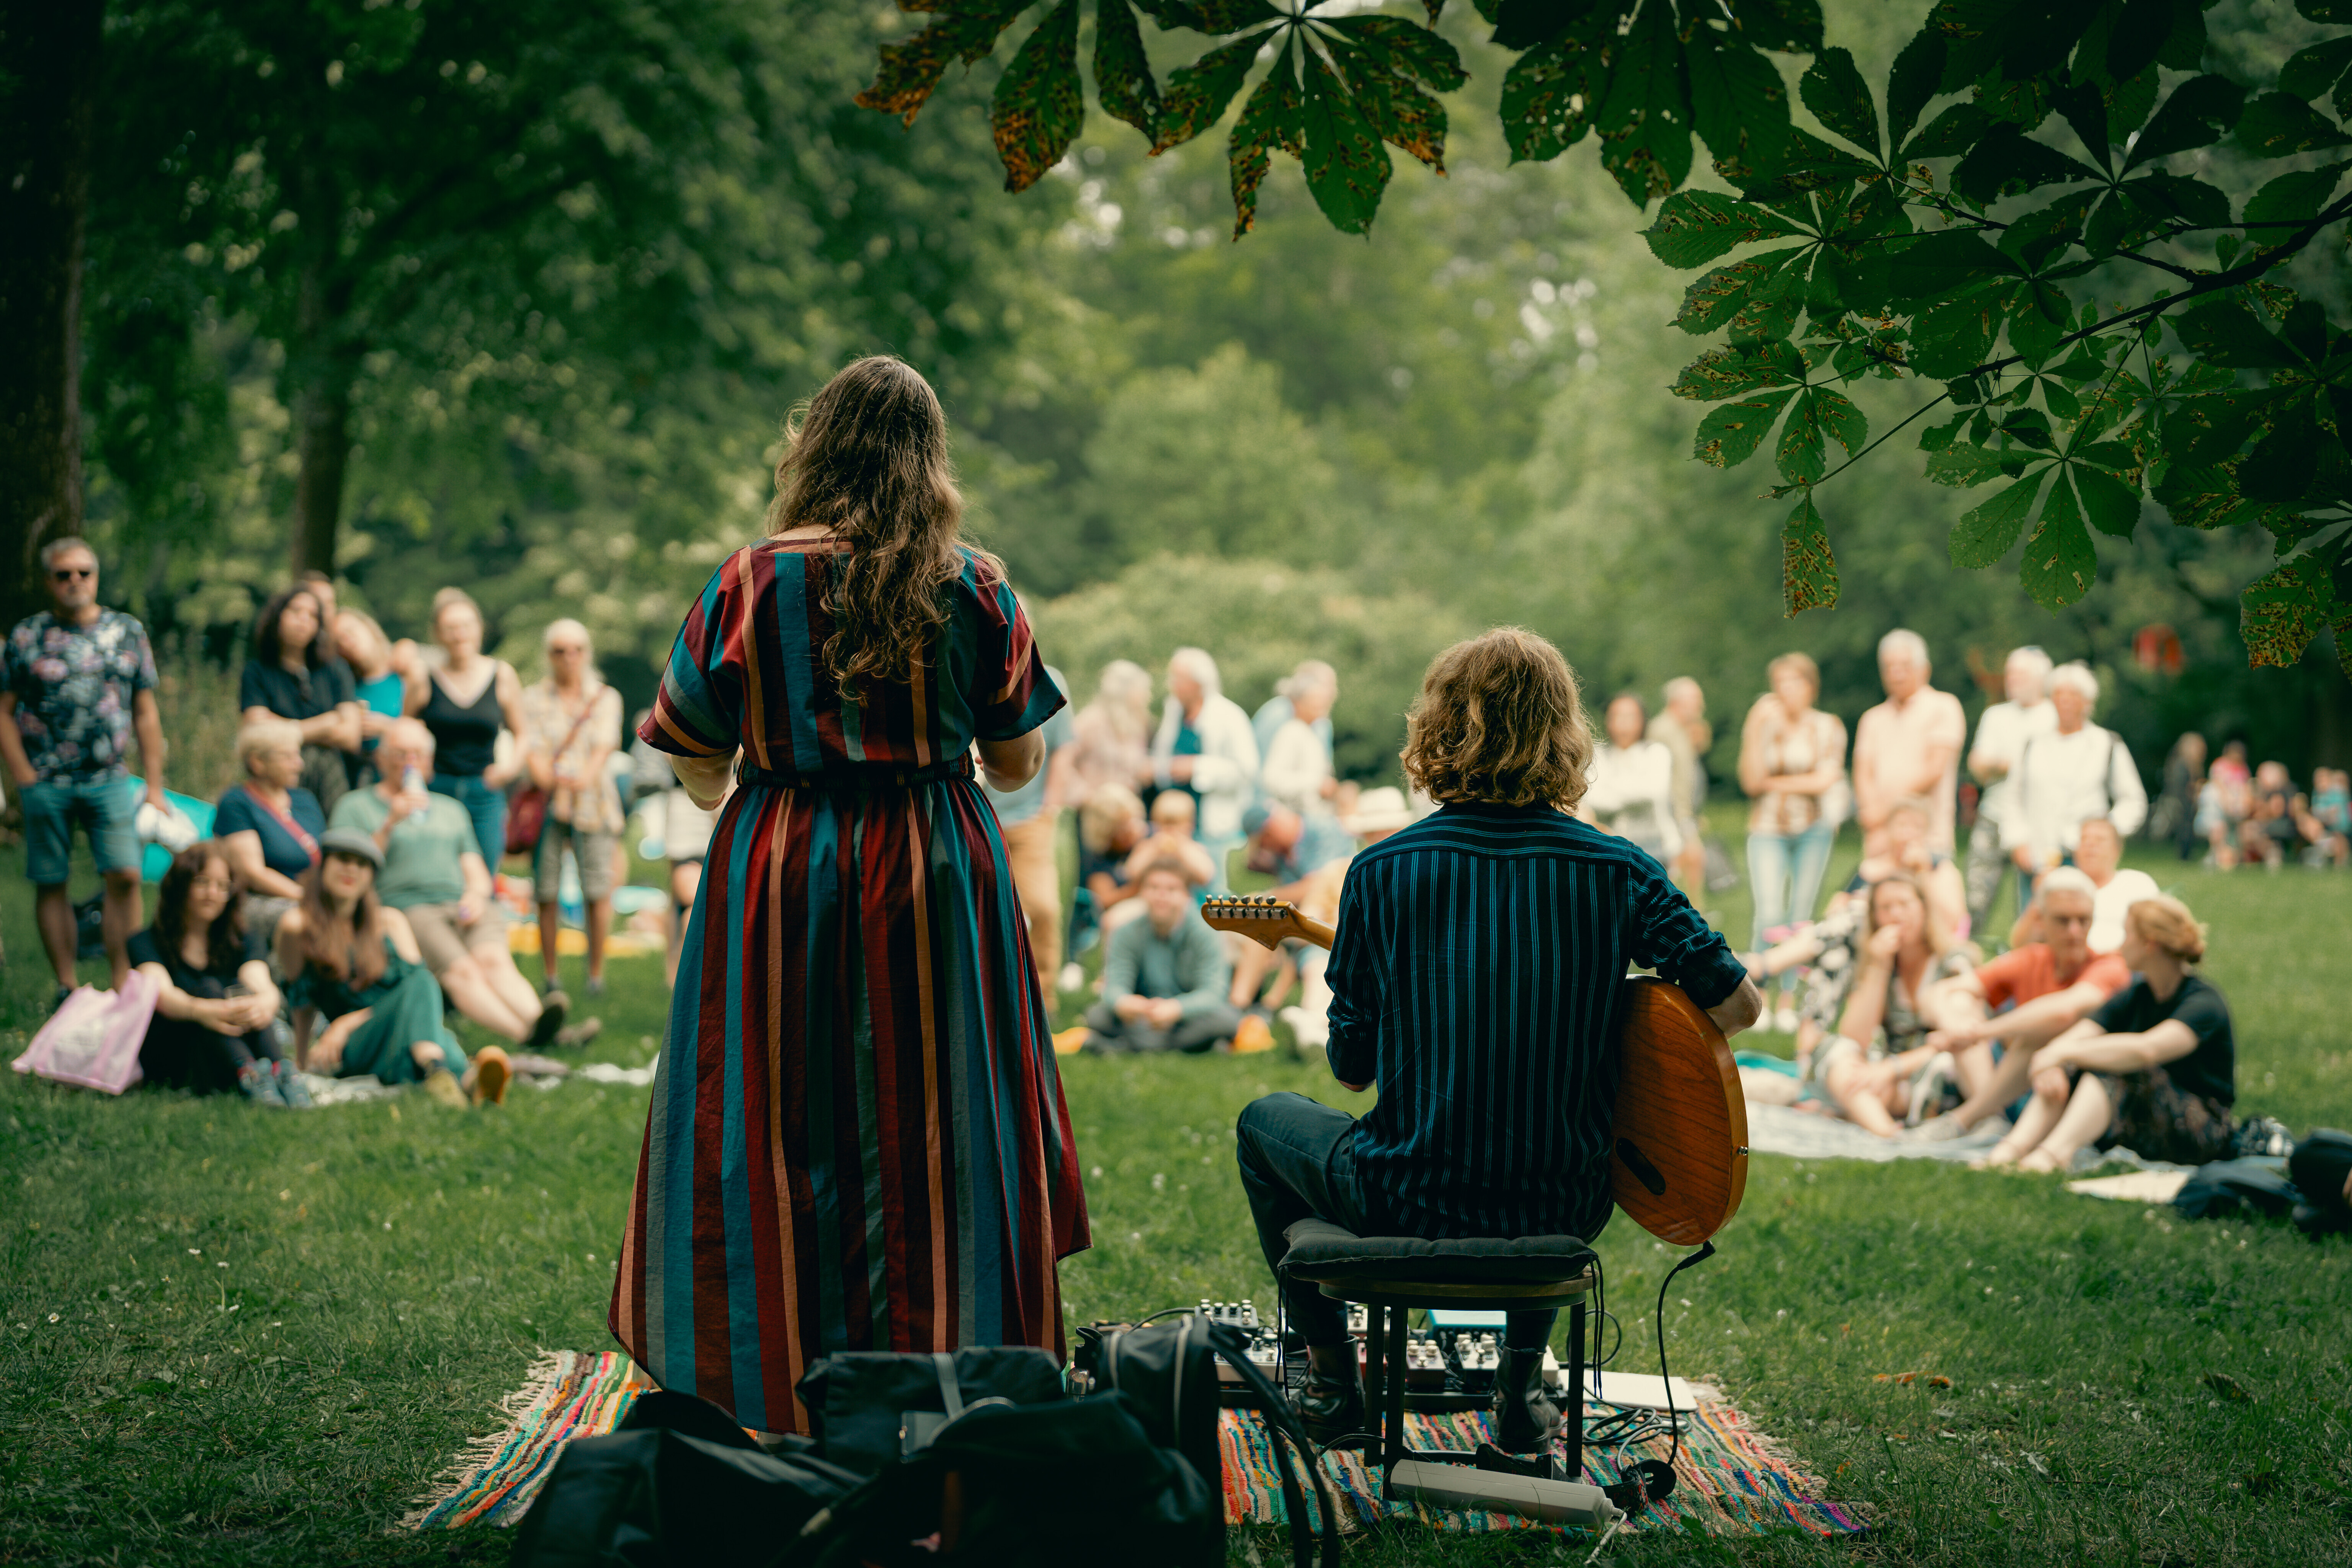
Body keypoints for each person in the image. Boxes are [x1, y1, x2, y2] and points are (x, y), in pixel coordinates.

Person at [612, 356, 1088, 1434]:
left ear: (813, 447)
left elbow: (689, 747)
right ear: (930, 461)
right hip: (936, 869)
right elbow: (1015, 766)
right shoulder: (977, 583)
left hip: (781, 867)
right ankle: (951, 1375)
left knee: (773, 1115)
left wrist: (754, 780)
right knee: (945, 1116)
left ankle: (773, 1380)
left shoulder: (751, 579)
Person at [1234, 628, 1760, 1450]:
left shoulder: (1382, 871)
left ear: (1438, 728)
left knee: (1263, 1123)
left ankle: (1335, 1381)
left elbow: (1350, 1066)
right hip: (1565, 1200)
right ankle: (1520, 1392)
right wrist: (1616, 1019)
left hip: (1403, 1194)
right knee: (1536, 1147)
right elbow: (1739, 1007)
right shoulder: (1622, 871)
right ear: (1564, 731)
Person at [330, 719, 585, 1050]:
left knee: (494, 961)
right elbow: (347, 871)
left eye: (418, 754)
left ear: (430, 762)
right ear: (381, 759)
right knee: (463, 971)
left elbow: (474, 867)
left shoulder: (450, 810)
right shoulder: (357, 806)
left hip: (463, 903)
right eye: (400, 753)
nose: (410, 761)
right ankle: (531, 1036)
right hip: (408, 908)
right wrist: (389, 823)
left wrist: (478, 895)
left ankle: (547, 1027)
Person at [2, 537, 168, 1000]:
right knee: (51, 878)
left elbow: (146, 713)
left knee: (125, 875)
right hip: (46, 780)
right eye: (63, 574)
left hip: (110, 778)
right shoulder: (25, 636)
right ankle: (67, 985)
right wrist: (23, 778)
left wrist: (155, 786)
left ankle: (123, 982)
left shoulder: (127, 631)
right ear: (48, 581)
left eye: (83, 573)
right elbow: (4, 710)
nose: (74, 581)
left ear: (96, 577)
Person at [1979, 896, 2234, 1171]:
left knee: (2120, 1065)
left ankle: (2051, 1156)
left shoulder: (2204, 1004)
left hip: (2202, 1133)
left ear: (2150, 944)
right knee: (2080, 1063)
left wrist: (2064, 1053)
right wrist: (2055, 1059)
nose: (2120, 945)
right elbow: (2082, 1034)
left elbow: (2146, 1050)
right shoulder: (2136, 995)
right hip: (2147, 1119)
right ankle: (2011, 1150)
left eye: (2128, 935)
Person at [276, 828, 508, 1108]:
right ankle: (454, 1072)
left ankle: (446, 1073)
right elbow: (301, 1000)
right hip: (354, 1047)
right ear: (324, 865)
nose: (352, 869)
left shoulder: (390, 922)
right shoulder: (297, 925)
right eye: (344, 859)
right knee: (421, 988)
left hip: (397, 1031)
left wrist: (347, 1023)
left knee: (420, 981)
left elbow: (418, 997)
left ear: (371, 877)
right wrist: (302, 1060)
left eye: (362, 864)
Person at [1910, 868, 2132, 1137]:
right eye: (2063, 921)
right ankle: (1989, 1120)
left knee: (2035, 1037)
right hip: (2017, 1082)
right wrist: (1953, 1026)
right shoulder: (2032, 959)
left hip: (2074, 1085)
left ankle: (1967, 1120)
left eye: (2083, 920)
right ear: (2041, 920)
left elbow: (2064, 1011)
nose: (2075, 931)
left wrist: (1978, 1033)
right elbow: (1936, 993)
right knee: (1960, 1003)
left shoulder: (2109, 966)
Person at [130, 842, 300, 1106]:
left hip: (222, 1051)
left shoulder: (242, 940)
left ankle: (281, 1074)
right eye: (202, 882)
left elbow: (260, 980)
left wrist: (264, 1003)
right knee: (209, 988)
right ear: (181, 885)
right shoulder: (146, 942)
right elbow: (163, 995)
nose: (213, 893)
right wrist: (204, 1011)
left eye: (223, 886)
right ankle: (253, 1075)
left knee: (247, 995)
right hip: (174, 1053)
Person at [1815, 874, 1976, 1137]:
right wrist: (1879, 966)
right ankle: (1889, 1134)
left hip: (1935, 1069)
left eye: (1905, 904)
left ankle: (1862, 1114)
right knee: (1834, 1050)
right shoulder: (1880, 962)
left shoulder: (1953, 962)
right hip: (1887, 1077)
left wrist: (1893, 1069)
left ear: (1924, 908)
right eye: (1886, 908)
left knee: (1941, 1067)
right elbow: (1855, 1038)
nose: (1896, 915)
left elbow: (1959, 1038)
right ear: (1874, 918)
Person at [1737, 652, 1847, 1033]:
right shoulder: (1764, 725)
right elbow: (1751, 782)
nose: (1787, 690)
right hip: (1767, 828)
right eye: (1780, 682)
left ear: (1811, 686)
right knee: (1769, 912)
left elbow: (1825, 780)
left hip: (1813, 830)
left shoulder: (1828, 726)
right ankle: (1760, 997)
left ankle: (1789, 998)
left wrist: (1776, 783)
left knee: (1800, 914)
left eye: (1795, 681)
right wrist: (1753, 728)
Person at [520, 619, 625, 1001]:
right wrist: (549, 778)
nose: (570, 658)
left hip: (593, 802)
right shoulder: (532, 697)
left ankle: (595, 975)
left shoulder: (605, 696)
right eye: (560, 650)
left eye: (577, 649)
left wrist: (581, 777)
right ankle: (551, 975)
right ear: (549, 655)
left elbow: (605, 746)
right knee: (546, 888)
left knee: (597, 888)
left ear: (587, 652)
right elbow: (529, 747)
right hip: (548, 803)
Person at [405, 588, 527, 883]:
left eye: (466, 626)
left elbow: (522, 733)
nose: (459, 635)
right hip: (436, 790)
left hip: (483, 792)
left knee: (484, 878)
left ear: (479, 629)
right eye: (450, 628)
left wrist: (507, 771)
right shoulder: (423, 677)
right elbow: (405, 731)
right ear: (437, 634)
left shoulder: (502, 675)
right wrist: (416, 771)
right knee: (436, 875)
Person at [1999, 662, 2145, 887]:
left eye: (2073, 695)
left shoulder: (2106, 744)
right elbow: (2012, 797)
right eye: (2059, 694)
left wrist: (2104, 835)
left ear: (2087, 703)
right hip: (2038, 859)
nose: (2065, 701)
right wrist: (2017, 841)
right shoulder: (2033, 745)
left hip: (2086, 862)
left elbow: (2133, 800)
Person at [984, 653, 1078, 998]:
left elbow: (1064, 749)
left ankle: (1043, 997)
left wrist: (1051, 807)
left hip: (1029, 818)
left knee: (1043, 907)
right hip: (976, 816)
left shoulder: (1048, 680)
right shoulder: (966, 672)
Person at [1077, 859, 1243, 1053]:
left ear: (1186, 896)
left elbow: (1213, 994)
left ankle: (1125, 1046)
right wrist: (1125, 1003)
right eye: (1154, 888)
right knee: (1098, 1016)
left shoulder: (1206, 934)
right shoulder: (1125, 932)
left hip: (1185, 1015)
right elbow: (1114, 987)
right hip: (1143, 1013)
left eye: (1171, 890)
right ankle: (1194, 1046)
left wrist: (1176, 1009)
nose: (1161, 896)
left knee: (1227, 1020)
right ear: (1142, 893)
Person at [239, 584, 361, 814]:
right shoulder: (257, 672)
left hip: (333, 780)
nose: (303, 620)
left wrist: (282, 728)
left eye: (313, 616)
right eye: (296, 611)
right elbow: (256, 730)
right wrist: (327, 724)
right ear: (278, 616)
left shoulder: (335, 669)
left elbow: (350, 736)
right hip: (276, 779)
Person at [1962, 646, 2055, 932]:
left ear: (2041, 679)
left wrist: (2001, 764)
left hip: (2035, 822)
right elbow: (1977, 766)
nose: (2012, 680)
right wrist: (2002, 765)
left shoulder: (2053, 717)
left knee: (2033, 903)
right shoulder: (1996, 715)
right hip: (1993, 817)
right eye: (2010, 674)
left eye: (2021, 675)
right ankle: (1962, 955)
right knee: (1975, 899)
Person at [1852, 629, 1966, 860]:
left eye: (1905, 666)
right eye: (1889, 667)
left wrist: (1883, 812)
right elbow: (1863, 774)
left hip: (1929, 839)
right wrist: (1872, 814)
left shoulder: (1944, 707)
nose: (1897, 675)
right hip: (1881, 841)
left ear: (1925, 669)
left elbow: (1934, 770)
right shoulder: (1872, 719)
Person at [1151, 647, 1259, 890]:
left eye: (1179, 679)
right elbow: (1162, 754)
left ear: (1198, 683)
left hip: (1213, 826)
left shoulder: (1229, 715)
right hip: (1176, 825)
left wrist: (1198, 767)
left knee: (1215, 894)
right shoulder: (1173, 712)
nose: (1173, 685)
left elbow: (1247, 770)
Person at [212, 718, 325, 951]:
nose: (299, 765)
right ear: (257, 762)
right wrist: (308, 898)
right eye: (288, 757)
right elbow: (253, 873)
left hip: (313, 896)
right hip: (262, 901)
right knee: (306, 923)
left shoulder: (306, 800)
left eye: (298, 756)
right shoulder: (237, 802)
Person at [1579, 693, 1681, 867]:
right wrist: (1633, 787)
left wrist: (1611, 788)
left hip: (1654, 847)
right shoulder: (1598, 755)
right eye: (1617, 716)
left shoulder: (1656, 752)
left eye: (1630, 717)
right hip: (1610, 845)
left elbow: (1652, 792)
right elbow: (1592, 798)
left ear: (1643, 720)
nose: (1623, 723)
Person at [2036, 816, 2159, 955]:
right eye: (2084, 840)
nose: (2090, 845)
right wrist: (2039, 898)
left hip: (2124, 967)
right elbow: (2022, 943)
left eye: (2100, 840)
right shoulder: (2061, 889)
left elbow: (2154, 939)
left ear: (2116, 850)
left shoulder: (2137, 885)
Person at [334, 608, 416, 786]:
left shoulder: (406, 672)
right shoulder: (346, 685)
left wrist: (388, 728)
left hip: (408, 773)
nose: (347, 642)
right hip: (364, 777)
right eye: (339, 642)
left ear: (369, 627)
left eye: (350, 631)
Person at [1648, 676, 1710, 895]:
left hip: (1684, 813)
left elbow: (1688, 775)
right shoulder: (1662, 730)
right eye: (1696, 700)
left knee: (1692, 865)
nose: (1701, 706)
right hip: (1671, 815)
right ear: (1678, 701)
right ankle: (1690, 918)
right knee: (1681, 866)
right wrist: (1682, 820)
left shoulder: (1682, 729)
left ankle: (1693, 916)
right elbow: (1662, 781)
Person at [1071, 781, 1148, 957]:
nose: (1134, 829)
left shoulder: (1150, 839)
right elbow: (1104, 900)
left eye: (1135, 820)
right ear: (1107, 831)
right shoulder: (1099, 858)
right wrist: (1138, 887)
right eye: (1124, 826)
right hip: (1122, 916)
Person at [1066, 659, 1154, 801]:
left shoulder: (1138, 725)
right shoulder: (1091, 722)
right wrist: (1086, 796)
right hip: (1095, 812)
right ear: (1125, 690)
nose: (1147, 696)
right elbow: (1064, 760)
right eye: (1142, 689)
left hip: (1127, 810)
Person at [1116, 787, 1219, 909]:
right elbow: (1131, 874)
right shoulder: (1148, 846)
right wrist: (1153, 849)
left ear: (1190, 825)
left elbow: (1206, 876)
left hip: (1188, 906)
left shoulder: (1195, 849)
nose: (1170, 831)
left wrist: (1182, 848)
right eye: (1164, 825)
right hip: (1150, 905)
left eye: (1177, 825)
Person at [1258, 660, 1339, 815]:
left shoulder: (1316, 728)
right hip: (1288, 816)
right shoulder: (1289, 729)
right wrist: (1317, 784)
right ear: (1299, 702)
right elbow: (1271, 779)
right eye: (1315, 700)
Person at [2150, 731, 2205, 859]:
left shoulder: (2186, 764)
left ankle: (2186, 856)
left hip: (2184, 802)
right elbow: (2178, 787)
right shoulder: (2181, 765)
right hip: (2181, 802)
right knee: (2185, 830)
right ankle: (2184, 857)